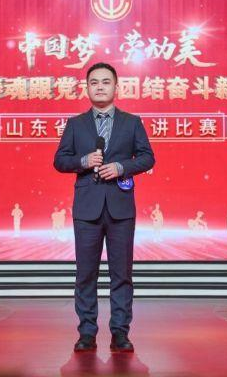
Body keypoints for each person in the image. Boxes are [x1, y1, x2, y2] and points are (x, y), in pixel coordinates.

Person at [53, 62, 155, 353]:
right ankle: (87, 332)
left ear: (116, 87)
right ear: (87, 88)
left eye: (106, 82)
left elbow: (147, 157)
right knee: (86, 274)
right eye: (94, 82)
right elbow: (60, 161)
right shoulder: (75, 124)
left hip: (121, 208)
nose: (100, 87)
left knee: (121, 274)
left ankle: (120, 332)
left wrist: (122, 167)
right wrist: (83, 161)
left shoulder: (132, 122)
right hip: (87, 209)